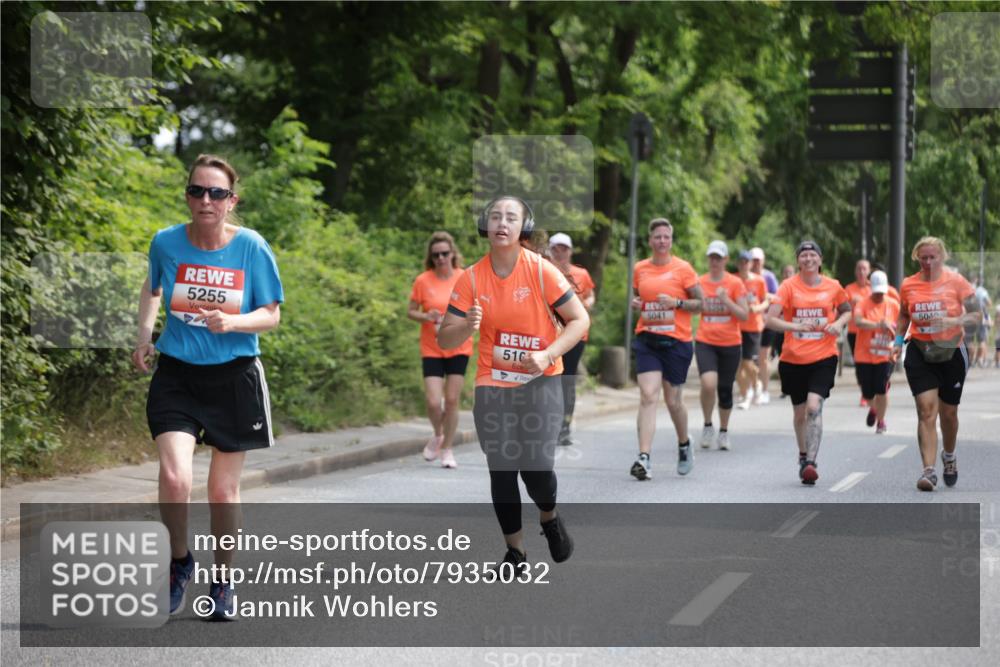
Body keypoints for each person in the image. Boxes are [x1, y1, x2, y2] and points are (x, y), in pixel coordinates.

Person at [133, 154, 283, 620]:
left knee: (222, 492)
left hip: (234, 376)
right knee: (176, 478)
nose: (206, 200)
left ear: (231, 201)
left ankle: (223, 581)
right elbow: (152, 289)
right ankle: (180, 560)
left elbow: (272, 314)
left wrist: (234, 322)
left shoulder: (251, 248)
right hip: (177, 374)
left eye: (217, 193)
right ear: (187, 196)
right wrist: (143, 336)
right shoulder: (166, 242)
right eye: (197, 190)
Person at [437, 196, 589, 572]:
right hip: (493, 383)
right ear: (485, 226)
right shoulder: (470, 278)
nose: (502, 223)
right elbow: (444, 339)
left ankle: (549, 517)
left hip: (541, 383)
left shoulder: (541, 271)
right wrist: (465, 326)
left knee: (536, 471)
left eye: (511, 217)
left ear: (524, 227)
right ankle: (515, 552)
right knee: (502, 467)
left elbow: (579, 320)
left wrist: (548, 354)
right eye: (495, 216)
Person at [895, 237, 981, 491]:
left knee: (949, 414)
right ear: (917, 258)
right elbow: (903, 315)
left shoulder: (957, 282)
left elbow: (977, 315)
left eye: (933, 257)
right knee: (926, 410)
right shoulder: (909, 285)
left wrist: (954, 322)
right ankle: (928, 471)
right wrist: (897, 341)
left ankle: (950, 455)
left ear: (942, 257)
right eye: (924, 257)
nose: (929, 262)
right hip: (920, 351)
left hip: (952, 352)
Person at [765, 241, 851, 485]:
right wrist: (795, 326)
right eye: (803, 255)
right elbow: (770, 320)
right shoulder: (788, 287)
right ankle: (803, 454)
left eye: (813, 255)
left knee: (814, 407)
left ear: (820, 260)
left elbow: (847, 310)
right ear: (798, 261)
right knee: (800, 412)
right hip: (793, 358)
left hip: (823, 356)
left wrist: (838, 324)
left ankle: (811, 462)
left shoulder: (833, 286)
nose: (808, 259)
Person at [629, 218, 703, 480]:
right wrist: (637, 304)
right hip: (648, 339)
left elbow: (701, 304)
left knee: (673, 401)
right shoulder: (641, 269)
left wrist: (677, 303)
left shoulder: (683, 269)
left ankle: (684, 444)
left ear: (671, 241)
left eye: (666, 237)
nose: (661, 241)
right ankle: (644, 458)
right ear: (650, 241)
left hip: (677, 342)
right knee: (649, 396)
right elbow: (639, 296)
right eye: (657, 237)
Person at [407, 232, 472, 468]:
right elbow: (410, 310)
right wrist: (426, 315)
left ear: (453, 253)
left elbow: (477, 308)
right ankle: (438, 434)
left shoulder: (464, 277)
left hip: (458, 346)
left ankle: (447, 450)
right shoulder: (423, 280)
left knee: (452, 400)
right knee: (434, 402)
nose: (441, 258)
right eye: (436, 255)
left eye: (445, 253)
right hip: (432, 347)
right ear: (431, 257)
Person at [695, 241, 749, 450]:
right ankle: (708, 425)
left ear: (726, 260)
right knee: (708, 384)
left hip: (730, 343)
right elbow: (691, 308)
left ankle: (724, 431)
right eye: (712, 257)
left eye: (719, 258)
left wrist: (726, 300)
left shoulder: (735, 283)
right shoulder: (699, 282)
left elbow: (744, 314)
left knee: (725, 389)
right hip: (705, 341)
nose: (715, 261)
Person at [547, 232, 596, 447]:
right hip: (551, 333)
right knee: (550, 379)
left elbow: (591, 294)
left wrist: (588, 302)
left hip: (576, 333)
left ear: (570, 251)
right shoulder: (545, 271)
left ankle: (565, 427)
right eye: (556, 248)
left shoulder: (581, 273)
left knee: (567, 379)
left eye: (564, 248)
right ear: (550, 250)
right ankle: (550, 424)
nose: (560, 252)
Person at [853, 270, 900, 434]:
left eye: (882, 291)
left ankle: (881, 421)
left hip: (885, 355)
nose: (879, 295)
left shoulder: (893, 304)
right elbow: (858, 322)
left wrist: (898, 340)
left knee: (882, 389)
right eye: (877, 291)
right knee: (867, 392)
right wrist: (879, 325)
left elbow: (903, 325)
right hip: (864, 355)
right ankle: (874, 409)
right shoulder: (863, 304)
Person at [735, 250, 769, 410]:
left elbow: (766, 301)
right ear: (737, 264)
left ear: (750, 264)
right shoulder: (733, 280)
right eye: (741, 262)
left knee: (748, 362)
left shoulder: (759, 281)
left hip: (753, 327)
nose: (743, 265)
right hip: (735, 326)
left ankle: (756, 384)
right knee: (738, 365)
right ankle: (744, 395)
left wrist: (758, 308)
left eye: (746, 262)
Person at [750, 247, 779, 404]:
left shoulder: (769, 277)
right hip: (749, 324)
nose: (755, 263)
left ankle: (765, 390)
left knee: (763, 358)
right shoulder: (745, 277)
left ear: (763, 261)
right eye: (753, 260)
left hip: (766, 322)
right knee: (749, 359)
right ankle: (753, 388)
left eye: (758, 260)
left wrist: (766, 298)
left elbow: (777, 297)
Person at [845, 259, 872, 407]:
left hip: (870, 331)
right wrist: (851, 304)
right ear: (856, 271)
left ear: (869, 271)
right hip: (854, 331)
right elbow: (842, 309)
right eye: (859, 269)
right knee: (860, 364)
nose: (862, 272)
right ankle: (864, 393)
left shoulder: (873, 288)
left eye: (864, 269)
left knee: (873, 362)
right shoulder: (849, 288)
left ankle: (874, 390)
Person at [772, 264, 795, 380]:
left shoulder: (798, 290)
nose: (788, 275)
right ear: (782, 275)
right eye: (786, 272)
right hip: (780, 331)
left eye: (790, 272)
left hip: (794, 331)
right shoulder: (779, 290)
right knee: (782, 358)